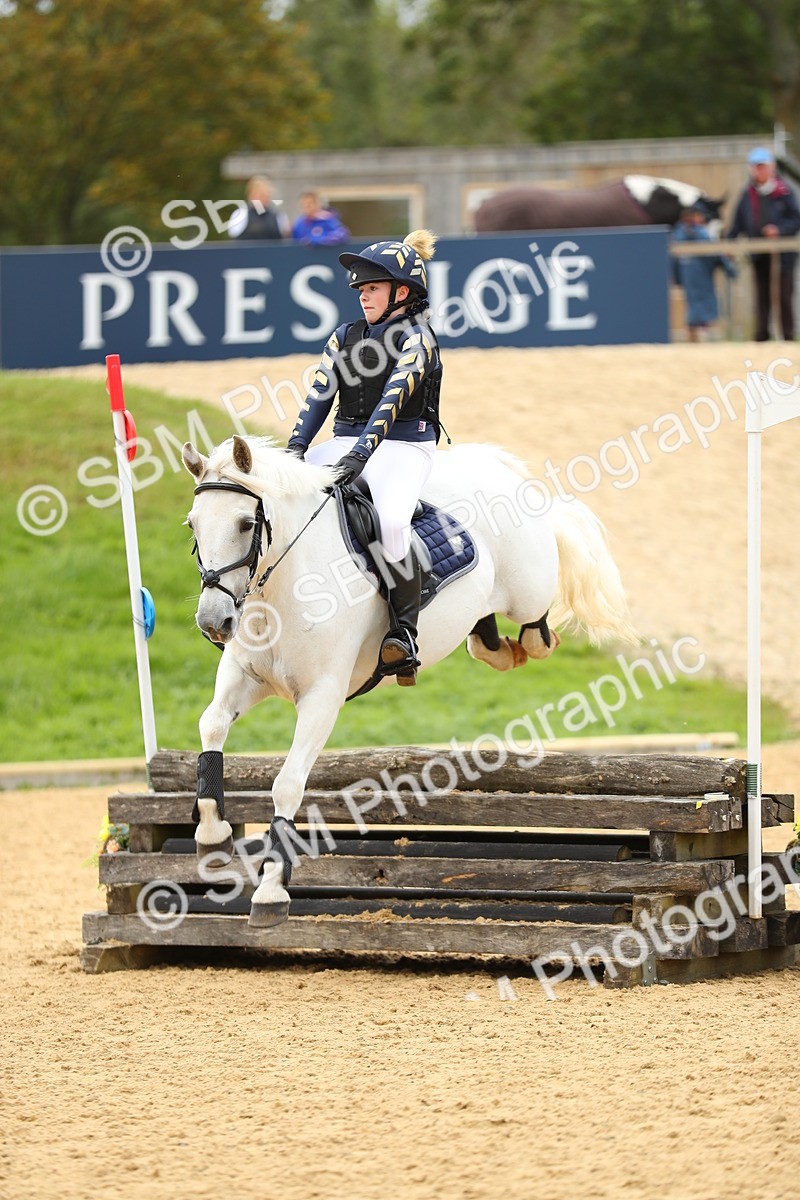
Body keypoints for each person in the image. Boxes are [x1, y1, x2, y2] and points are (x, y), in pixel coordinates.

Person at [286, 230, 442, 686]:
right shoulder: (343, 336)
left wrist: (359, 454)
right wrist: (295, 451)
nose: (362, 295)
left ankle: (404, 633)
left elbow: (390, 403)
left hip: (404, 445)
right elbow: (319, 399)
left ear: (403, 292)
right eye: (359, 289)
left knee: (393, 521)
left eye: (371, 288)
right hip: (344, 441)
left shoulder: (419, 338)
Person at [726, 147, 800, 340]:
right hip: (759, 254)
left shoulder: (784, 192)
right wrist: (729, 245)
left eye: (763, 166)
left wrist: (779, 229)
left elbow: (796, 219)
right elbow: (738, 224)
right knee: (762, 297)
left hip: (782, 255)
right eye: (756, 167)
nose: (760, 171)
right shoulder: (747, 195)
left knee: (783, 296)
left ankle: (787, 336)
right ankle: (761, 337)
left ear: (771, 167)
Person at [672, 203, 737, 342]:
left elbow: (673, 262)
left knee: (692, 304)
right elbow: (715, 254)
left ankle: (693, 336)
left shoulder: (678, 233)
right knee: (704, 306)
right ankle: (702, 335)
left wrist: (677, 278)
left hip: (688, 276)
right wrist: (730, 268)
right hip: (702, 276)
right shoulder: (701, 233)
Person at [228, 176, 290, 241]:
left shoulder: (279, 216)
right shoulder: (240, 215)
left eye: (267, 196)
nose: (265, 199)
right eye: (261, 195)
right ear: (251, 195)